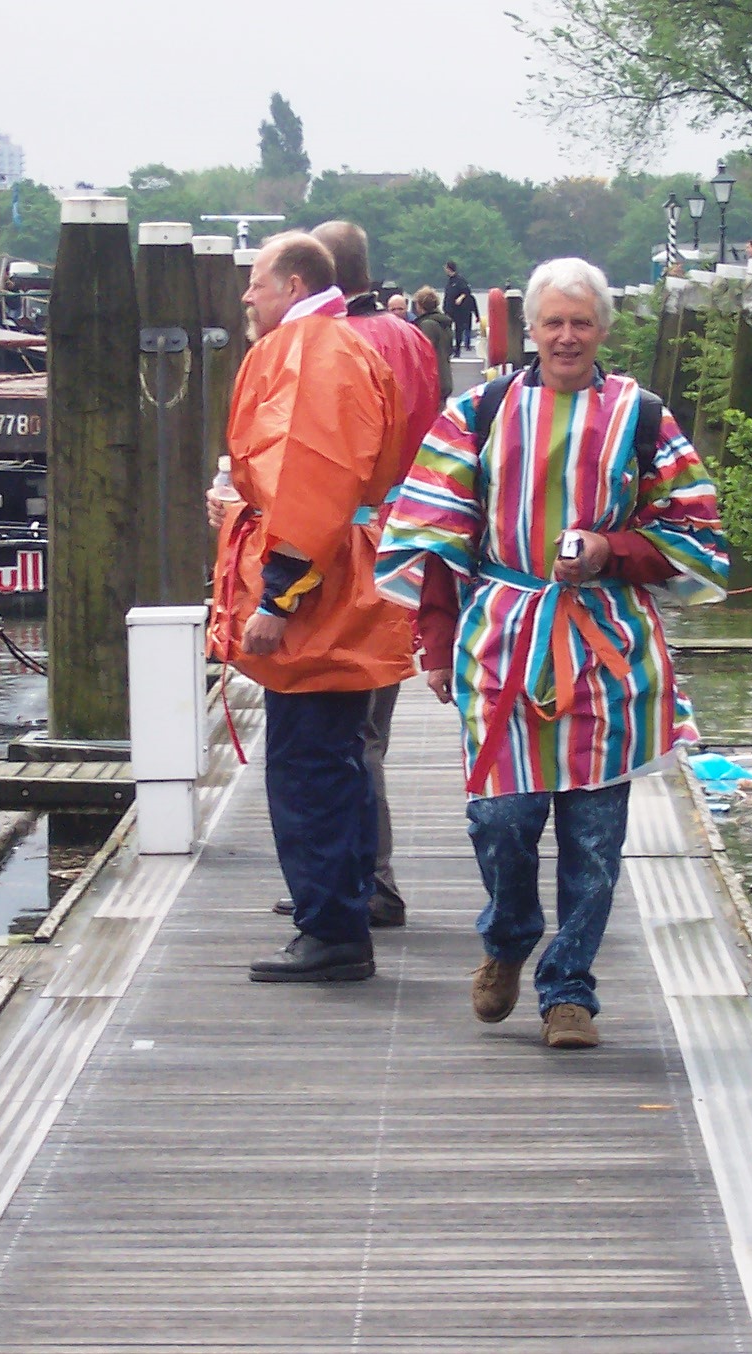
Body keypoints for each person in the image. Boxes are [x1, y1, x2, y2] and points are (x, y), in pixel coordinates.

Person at [375, 258, 728, 1048]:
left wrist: (611, 548)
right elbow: (437, 537)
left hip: (608, 647)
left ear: (604, 329)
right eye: (552, 322)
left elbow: (695, 535)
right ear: (529, 331)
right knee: (499, 818)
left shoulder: (643, 417)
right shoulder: (480, 411)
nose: (567, 336)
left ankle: (569, 991)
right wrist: (433, 641)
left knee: (595, 838)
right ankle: (508, 935)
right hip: (502, 634)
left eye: (582, 322)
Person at [206, 231, 415, 982]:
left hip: (322, 593)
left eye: (256, 284)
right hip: (347, 579)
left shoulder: (311, 354)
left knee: (309, 764)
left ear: (292, 285)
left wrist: (279, 594)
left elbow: (311, 474)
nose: (246, 297)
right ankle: (342, 910)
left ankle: (330, 928)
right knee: (340, 757)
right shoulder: (342, 347)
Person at [309, 218, 442, 931]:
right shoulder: (414, 337)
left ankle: (367, 879)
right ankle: (349, 872)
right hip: (413, 534)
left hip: (357, 542)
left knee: (349, 730)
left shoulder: (339, 345)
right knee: (368, 725)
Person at [412, 286, 454, 398]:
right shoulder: (444, 324)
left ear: (419, 305)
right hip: (445, 378)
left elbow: (424, 354)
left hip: (434, 383)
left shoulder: (427, 325)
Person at [443, 260, 478, 355]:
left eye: (445, 268)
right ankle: (449, 348)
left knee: (459, 330)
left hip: (458, 310)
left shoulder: (459, 280)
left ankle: (458, 349)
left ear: (449, 268)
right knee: (447, 330)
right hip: (449, 310)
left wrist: (460, 298)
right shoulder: (449, 281)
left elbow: (466, 291)